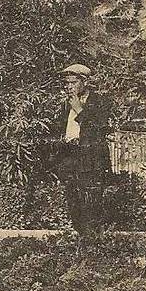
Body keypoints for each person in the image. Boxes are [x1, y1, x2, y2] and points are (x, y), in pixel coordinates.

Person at [52, 63, 112, 236]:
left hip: (91, 159)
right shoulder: (66, 104)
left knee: (91, 203)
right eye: (66, 83)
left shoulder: (100, 101)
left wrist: (79, 109)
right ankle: (81, 240)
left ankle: (93, 243)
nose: (69, 87)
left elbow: (98, 128)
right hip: (70, 158)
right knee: (73, 202)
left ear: (85, 82)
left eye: (73, 82)